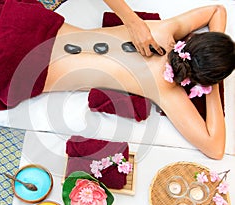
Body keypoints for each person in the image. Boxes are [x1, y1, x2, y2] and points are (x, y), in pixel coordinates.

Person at [43, 5, 235, 159]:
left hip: (34, 24)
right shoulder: (166, 89)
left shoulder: (163, 29)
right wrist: (212, 85)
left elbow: (217, 10)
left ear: (193, 40)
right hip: (36, 70)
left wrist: (213, 44)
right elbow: (215, 148)